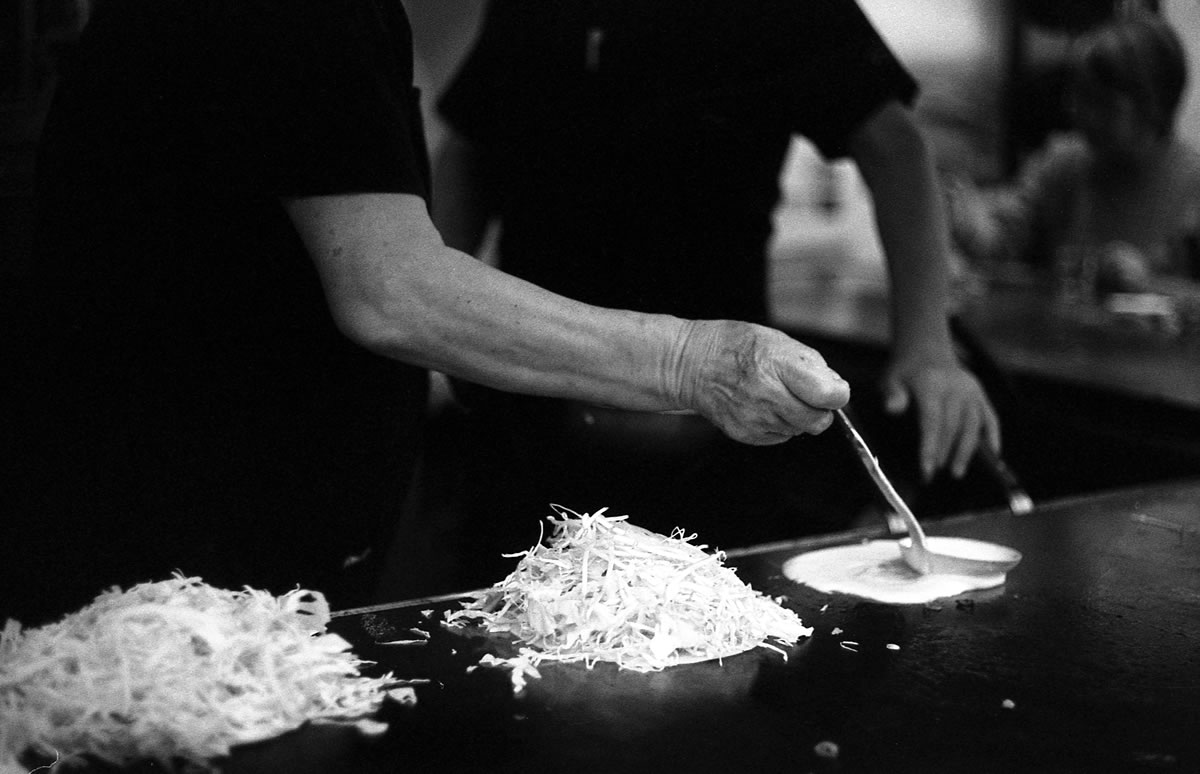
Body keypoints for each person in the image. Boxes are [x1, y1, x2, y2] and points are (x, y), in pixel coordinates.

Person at [0, 0, 853, 626]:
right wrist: (691, 361)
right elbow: (391, 291)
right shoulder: (302, 16)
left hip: (203, 541)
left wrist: (453, 347)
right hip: (176, 562)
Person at [424, 0, 1001, 588]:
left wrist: (928, 346)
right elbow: (469, 149)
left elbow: (897, 148)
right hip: (529, 397)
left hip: (719, 414)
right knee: (507, 617)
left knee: (719, 632)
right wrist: (436, 323)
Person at [947, 12, 1200, 301]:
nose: (1078, 111)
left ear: (1152, 106)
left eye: (1101, 103)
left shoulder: (1192, 188)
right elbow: (1006, 241)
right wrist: (974, 227)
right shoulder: (1063, 164)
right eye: (1078, 95)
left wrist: (1151, 283)